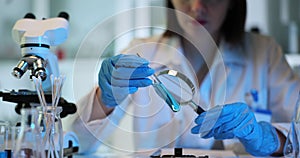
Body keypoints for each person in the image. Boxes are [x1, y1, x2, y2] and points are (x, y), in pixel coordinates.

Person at [70, 0, 300, 156]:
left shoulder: (265, 53)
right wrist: (106, 98)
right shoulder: (142, 53)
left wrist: (268, 137)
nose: (197, 6)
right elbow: (77, 144)